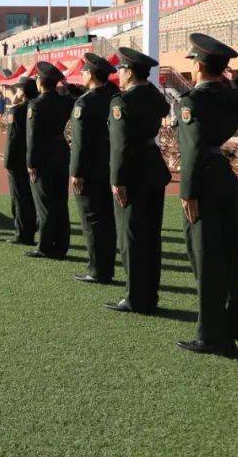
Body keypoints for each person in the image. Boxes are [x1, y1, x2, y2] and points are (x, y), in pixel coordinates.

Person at [175, 34, 238, 356]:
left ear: (198, 65)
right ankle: (227, 331)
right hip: (225, 181)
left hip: (203, 184)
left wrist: (188, 193)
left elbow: (193, 150)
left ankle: (210, 336)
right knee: (229, 260)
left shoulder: (192, 101)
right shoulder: (230, 97)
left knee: (206, 260)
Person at [106, 47, 170, 314]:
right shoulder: (154, 97)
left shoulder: (121, 102)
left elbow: (119, 146)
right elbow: (165, 108)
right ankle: (150, 295)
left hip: (131, 172)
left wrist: (117, 180)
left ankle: (135, 298)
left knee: (131, 237)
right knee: (151, 237)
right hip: (153, 168)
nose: (118, 74)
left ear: (129, 72)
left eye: (121, 69)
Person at [69, 53, 119, 284]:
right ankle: (106, 266)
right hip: (111, 166)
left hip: (90, 169)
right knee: (108, 220)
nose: (82, 74)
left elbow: (79, 143)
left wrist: (76, 172)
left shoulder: (85, 103)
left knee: (92, 221)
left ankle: (98, 270)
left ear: (90, 74)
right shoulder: (115, 97)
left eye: (84, 71)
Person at [24, 62, 74, 259]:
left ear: (41, 82)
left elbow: (32, 138)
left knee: (44, 203)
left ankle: (44, 246)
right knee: (61, 201)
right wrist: (67, 86)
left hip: (43, 157)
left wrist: (30, 163)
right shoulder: (65, 101)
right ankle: (61, 245)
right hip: (61, 153)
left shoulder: (35, 105)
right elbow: (75, 95)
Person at [3, 78, 39, 245]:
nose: (15, 93)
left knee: (19, 197)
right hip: (35, 158)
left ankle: (22, 234)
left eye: (17, 90)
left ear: (22, 92)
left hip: (18, 160)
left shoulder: (16, 111)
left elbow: (12, 138)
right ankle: (30, 231)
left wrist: (7, 162)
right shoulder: (38, 107)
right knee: (30, 197)